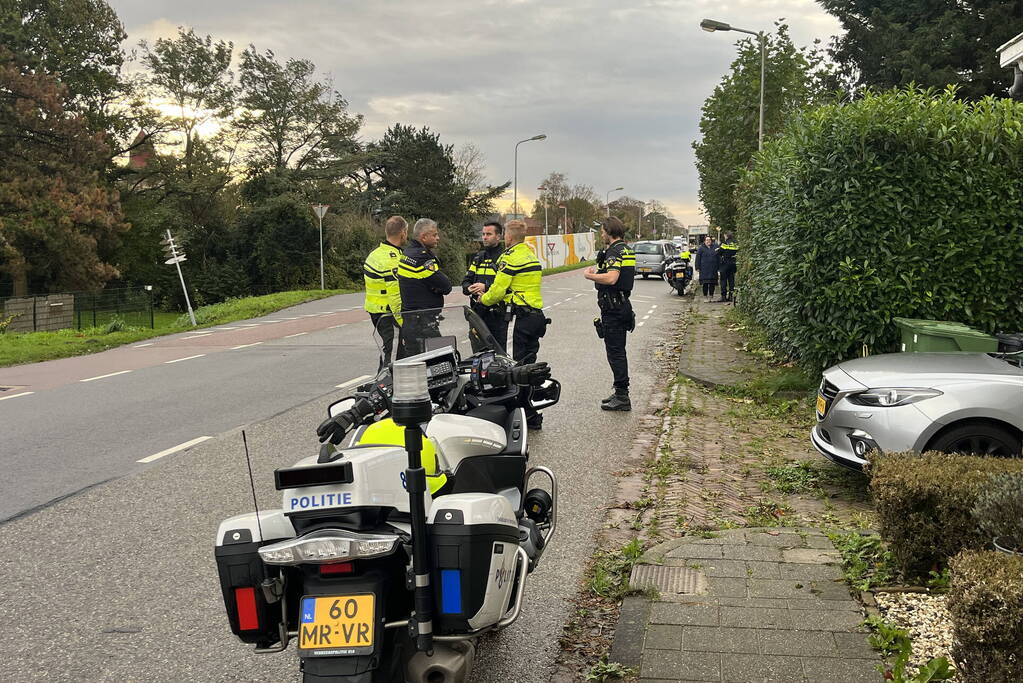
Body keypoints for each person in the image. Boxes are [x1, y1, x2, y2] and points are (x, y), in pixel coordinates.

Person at [475, 220, 547, 429]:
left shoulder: (510, 258)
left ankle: (526, 415)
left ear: (508, 236)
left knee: (519, 369)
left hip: (522, 317)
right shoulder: (530, 254)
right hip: (536, 317)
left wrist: (484, 299)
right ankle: (532, 414)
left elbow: (498, 289)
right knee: (529, 365)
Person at [584, 216, 635, 412]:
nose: (601, 234)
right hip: (621, 305)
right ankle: (619, 392)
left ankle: (622, 396)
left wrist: (590, 276)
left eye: (603, 231)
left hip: (614, 308)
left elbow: (612, 278)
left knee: (616, 353)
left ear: (610, 231)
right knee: (617, 351)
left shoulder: (614, 251)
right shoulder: (626, 249)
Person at [397, 218, 452, 357]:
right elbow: (446, 286)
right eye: (434, 235)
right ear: (423, 237)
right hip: (422, 322)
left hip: (411, 320)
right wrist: (435, 288)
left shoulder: (408, 253)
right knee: (442, 360)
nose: (438, 238)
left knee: (416, 363)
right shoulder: (421, 258)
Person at [363, 215, 407, 368]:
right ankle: (386, 387)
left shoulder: (376, 254)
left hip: (376, 311)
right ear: (403, 233)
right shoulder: (391, 259)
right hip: (389, 314)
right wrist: (404, 321)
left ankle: (383, 384)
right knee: (392, 357)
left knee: (387, 352)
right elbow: (395, 296)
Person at [461, 221, 507, 351]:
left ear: (498, 236)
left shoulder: (503, 258)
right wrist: (469, 288)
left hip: (496, 315)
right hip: (477, 313)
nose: (484, 237)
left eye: (489, 234)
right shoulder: (478, 257)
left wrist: (485, 287)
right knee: (478, 353)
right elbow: (466, 281)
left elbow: (506, 286)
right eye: (483, 234)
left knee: (498, 353)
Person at [694, 234, 720, 303]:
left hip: (713, 269)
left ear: (711, 241)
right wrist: (697, 267)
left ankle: (711, 296)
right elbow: (698, 258)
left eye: (709, 240)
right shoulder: (701, 248)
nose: (708, 241)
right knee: (705, 283)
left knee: (712, 283)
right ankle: (705, 296)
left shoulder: (715, 247)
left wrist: (719, 267)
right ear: (704, 241)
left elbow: (718, 257)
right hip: (704, 269)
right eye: (707, 240)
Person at [717, 232, 738, 303]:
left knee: (723, 280)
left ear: (726, 236)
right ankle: (731, 296)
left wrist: (718, 250)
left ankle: (723, 297)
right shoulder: (735, 244)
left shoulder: (725, 244)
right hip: (733, 264)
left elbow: (719, 252)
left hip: (725, 264)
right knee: (731, 280)